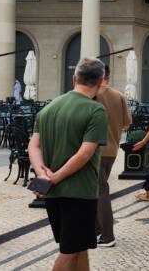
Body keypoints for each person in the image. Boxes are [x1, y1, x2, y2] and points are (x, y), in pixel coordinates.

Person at [28, 58, 109, 271]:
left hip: (54, 193)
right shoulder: (95, 110)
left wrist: (42, 174)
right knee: (69, 252)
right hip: (79, 191)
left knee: (78, 247)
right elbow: (85, 154)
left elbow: (33, 146)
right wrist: (56, 176)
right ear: (101, 82)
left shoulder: (48, 109)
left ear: (74, 78)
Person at [94, 66, 132, 248]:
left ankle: (107, 236)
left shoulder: (92, 94)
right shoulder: (119, 96)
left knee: (100, 191)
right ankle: (96, 231)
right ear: (109, 75)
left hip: (94, 150)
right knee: (97, 190)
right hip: (112, 150)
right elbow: (127, 123)